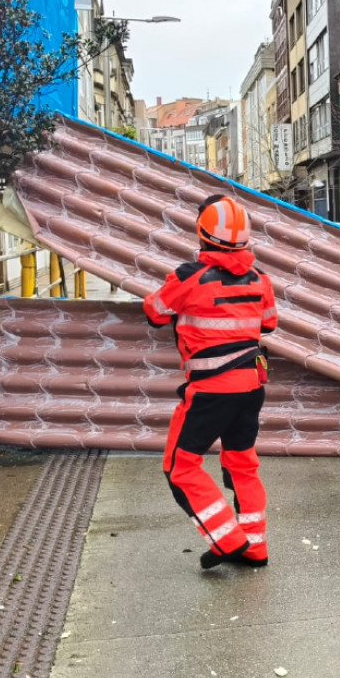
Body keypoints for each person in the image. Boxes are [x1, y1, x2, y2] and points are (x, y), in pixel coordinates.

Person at [143, 194, 278, 570]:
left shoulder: (190, 278)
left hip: (210, 390)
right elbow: (268, 323)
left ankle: (227, 539)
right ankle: (254, 547)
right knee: (242, 463)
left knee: (180, 466)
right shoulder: (261, 280)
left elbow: (155, 311)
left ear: (201, 234)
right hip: (252, 385)